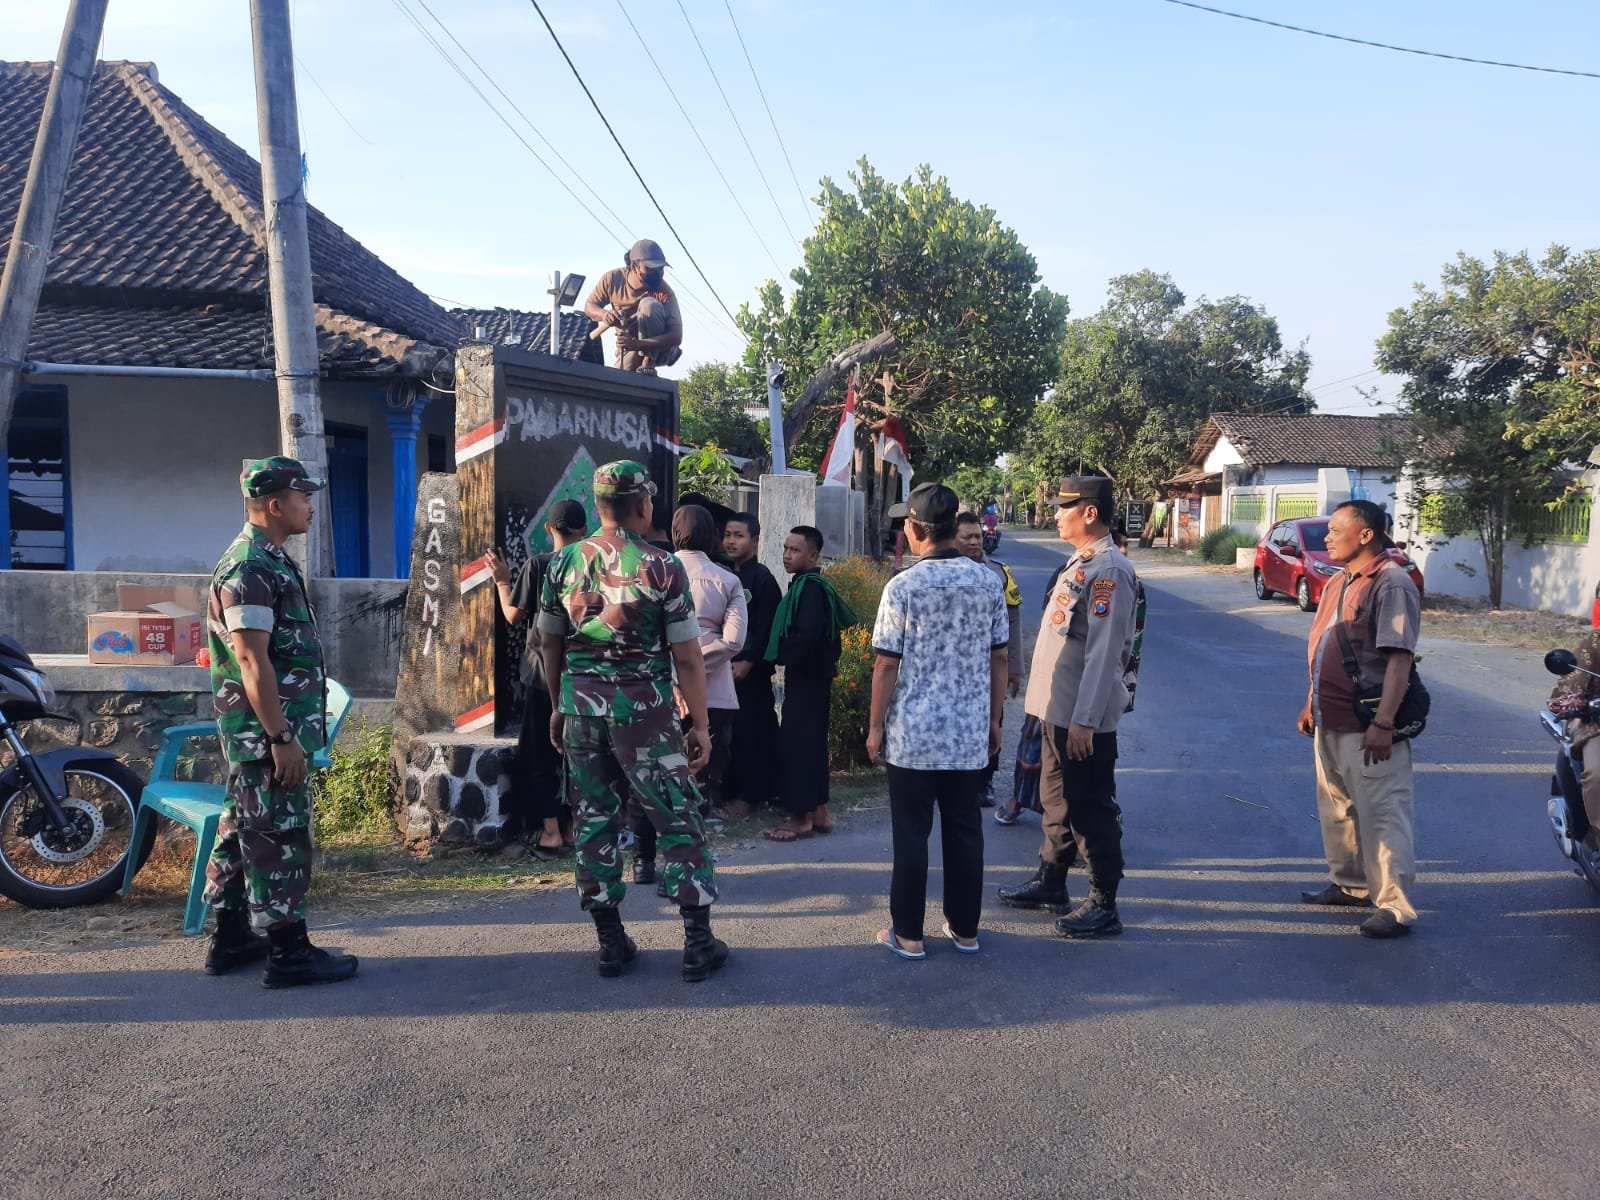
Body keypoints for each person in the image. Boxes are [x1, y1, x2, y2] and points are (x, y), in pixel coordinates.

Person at [537, 460, 728, 981]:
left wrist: (559, 703)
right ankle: (696, 943)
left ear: (598, 506)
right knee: (677, 817)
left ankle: (610, 943)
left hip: (581, 711)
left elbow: (549, 645)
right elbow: (688, 658)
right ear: (644, 505)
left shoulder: (563, 564)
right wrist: (702, 726)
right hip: (645, 714)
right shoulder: (663, 567)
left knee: (594, 820)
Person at [200, 456, 358, 987]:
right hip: (266, 734)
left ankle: (231, 939)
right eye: (303, 498)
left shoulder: (268, 559)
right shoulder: (249, 568)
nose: (310, 507)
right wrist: (281, 738)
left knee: (239, 827)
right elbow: (251, 661)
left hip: (259, 733)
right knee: (278, 835)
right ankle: (289, 952)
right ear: (275, 505)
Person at [867, 484, 1009, 960]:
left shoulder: (903, 586)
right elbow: (1000, 658)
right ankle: (966, 930)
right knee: (965, 828)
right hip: (968, 731)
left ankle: (908, 934)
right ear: (953, 529)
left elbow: (886, 665)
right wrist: (994, 721)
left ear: (914, 530)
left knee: (911, 832)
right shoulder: (988, 582)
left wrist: (875, 728)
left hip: (913, 734)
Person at [998, 475, 1139, 939]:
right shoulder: (1080, 562)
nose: (1056, 514)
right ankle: (1051, 881)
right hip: (1056, 710)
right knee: (1055, 800)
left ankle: (1104, 902)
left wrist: (1086, 720)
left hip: (1083, 717)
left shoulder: (1109, 570)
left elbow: (1105, 654)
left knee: (1090, 805)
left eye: (1064, 507)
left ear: (1090, 513)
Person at [1296, 499, 1422, 940]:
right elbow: (1323, 644)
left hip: (1368, 723)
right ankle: (1351, 885)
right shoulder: (1338, 581)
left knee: (1382, 815)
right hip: (1330, 718)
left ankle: (1394, 906)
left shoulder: (1391, 584)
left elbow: (1399, 659)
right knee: (1338, 808)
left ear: (1365, 535)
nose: (1326, 537)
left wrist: (1384, 723)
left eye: (1335, 529)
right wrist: (1311, 701)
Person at [629, 505, 747, 889]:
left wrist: (674, 672)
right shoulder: (727, 581)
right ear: (712, 535)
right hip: (714, 695)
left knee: (649, 780)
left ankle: (644, 861)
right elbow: (734, 641)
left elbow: (640, 637)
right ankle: (686, 866)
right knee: (696, 780)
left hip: (658, 692)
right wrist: (694, 662)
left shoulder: (650, 572)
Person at [485, 499, 588, 857]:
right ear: (583, 531)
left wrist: (502, 581)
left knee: (541, 753)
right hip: (583, 677)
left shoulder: (538, 565)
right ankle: (575, 828)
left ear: (548, 529)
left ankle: (550, 833)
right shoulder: (592, 567)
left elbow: (514, 616)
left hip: (544, 675)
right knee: (579, 754)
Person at [764, 525, 857, 841]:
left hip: (806, 679)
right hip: (814, 679)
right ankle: (819, 812)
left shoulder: (811, 589)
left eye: (795, 550)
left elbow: (807, 637)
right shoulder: (808, 585)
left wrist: (779, 654)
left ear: (814, 555)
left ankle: (800, 817)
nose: (788, 555)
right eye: (786, 549)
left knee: (798, 746)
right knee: (813, 745)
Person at [955, 511, 1022, 805]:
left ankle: (985, 782)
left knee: (992, 723)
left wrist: (1015, 669)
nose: (974, 542)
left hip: (989, 669)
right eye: (966, 537)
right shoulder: (943, 573)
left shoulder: (1000, 573)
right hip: (954, 671)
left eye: (977, 537)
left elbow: (1014, 621)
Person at [718, 512, 782, 821]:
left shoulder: (762, 579)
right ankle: (731, 792)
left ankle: (754, 797)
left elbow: (766, 626)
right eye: (728, 534)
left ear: (754, 540)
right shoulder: (723, 574)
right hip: (725, 670)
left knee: (754, 734)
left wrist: (749, 660)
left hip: (751, 674)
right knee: (732, 736)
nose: (731, 540)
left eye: (738, 535)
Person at [584, 238, 683, 373]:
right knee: (617, 383)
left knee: (649, 305)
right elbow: (590, 306)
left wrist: (639, 345)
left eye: (660, 269)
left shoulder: (664, 292)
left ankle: (648, 362)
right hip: (630, 346)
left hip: (660, 349)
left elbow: (676, 336)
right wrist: (604, 315)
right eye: (651, 269)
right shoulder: (612, 279)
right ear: (634, 266)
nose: (658, 273)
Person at [1549, 628, 1600, 851]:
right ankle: (1598, 836)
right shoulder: (1596, 642)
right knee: (1598, 772)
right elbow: (1571, 683)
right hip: (1596, 725)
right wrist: (1576, 705)